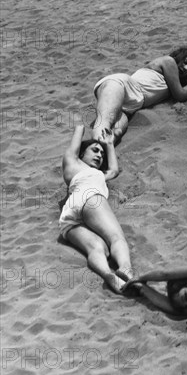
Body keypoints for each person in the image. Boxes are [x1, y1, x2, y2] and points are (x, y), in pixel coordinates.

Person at [92, 46, 187, 141]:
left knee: (113, 135)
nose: (185, 68)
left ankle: (93, 166)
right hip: (122, 85)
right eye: (186, 62)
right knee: (104, 122)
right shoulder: (169, 62)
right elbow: (181, 95)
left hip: (130, 108)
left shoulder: (174, 80)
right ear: (179, 57)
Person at [59, 125, 133, 293]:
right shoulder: (73, 161)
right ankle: (126, 269)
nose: (99, 155)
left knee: (98, 248)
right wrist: (82, 125)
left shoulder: (94, 172)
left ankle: (109, 275)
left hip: (68, 215)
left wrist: (109, 144)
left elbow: (113, 170)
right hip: (90, 198)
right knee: (116, 238)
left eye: (101, 153)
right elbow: (78, 130)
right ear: (81, 154)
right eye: (94, 150)